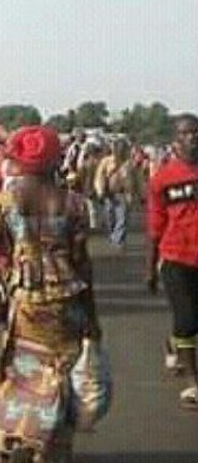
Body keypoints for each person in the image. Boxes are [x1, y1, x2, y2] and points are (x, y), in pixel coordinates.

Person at [0, 126, 101, 461]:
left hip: (26, 303)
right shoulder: (74, 204)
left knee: (21, 374)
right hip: (67, 305)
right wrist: (92, 319)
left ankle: (15, 440)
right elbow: (83, 265)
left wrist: (0, 278)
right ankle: (53, 449)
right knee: (60, 374)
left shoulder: (6, 201)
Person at [147, 113, 198, 409]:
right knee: (187, 319)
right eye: (185, 134)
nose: (192, 139)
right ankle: (193, 382)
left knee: (192, 319)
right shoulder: (163, 178)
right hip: (175, 257)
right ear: (175, 140)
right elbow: (156, 226)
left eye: (195, 133)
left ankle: (174, 342)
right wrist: (150, 269)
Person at [95, 138, 139, 249]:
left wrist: (142, 195)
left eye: (123, 148)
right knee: (110, 218)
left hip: (124, 194)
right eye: (119, 148)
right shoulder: (106, 161)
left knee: (122, 219)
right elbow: (99, 177)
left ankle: (118, 241)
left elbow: (139, 180)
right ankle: (114, 236)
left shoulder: (130, 164)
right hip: (109, 194)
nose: (121, 150)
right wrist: (100, 191)